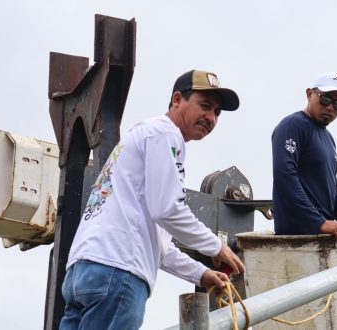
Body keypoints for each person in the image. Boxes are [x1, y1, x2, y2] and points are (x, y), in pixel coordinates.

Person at [60, 69, 246, 330]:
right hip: (118, 273)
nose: (211, 117)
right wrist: (216, 246)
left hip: (83, 272)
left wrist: (200, 273)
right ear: (177, 99)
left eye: (217, 113)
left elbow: (155, 239)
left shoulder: (144, 137)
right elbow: (167, 209)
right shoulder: (165, 134)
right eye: (205, 106)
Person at [271, 72, 337, 240]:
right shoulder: (292, 126)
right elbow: (284, 176)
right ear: (309, 94)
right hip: (297, 239)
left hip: (322, 235)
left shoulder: (328, 138)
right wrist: (317, 221)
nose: (331, 107)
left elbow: (329, 184)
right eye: (325, 99)